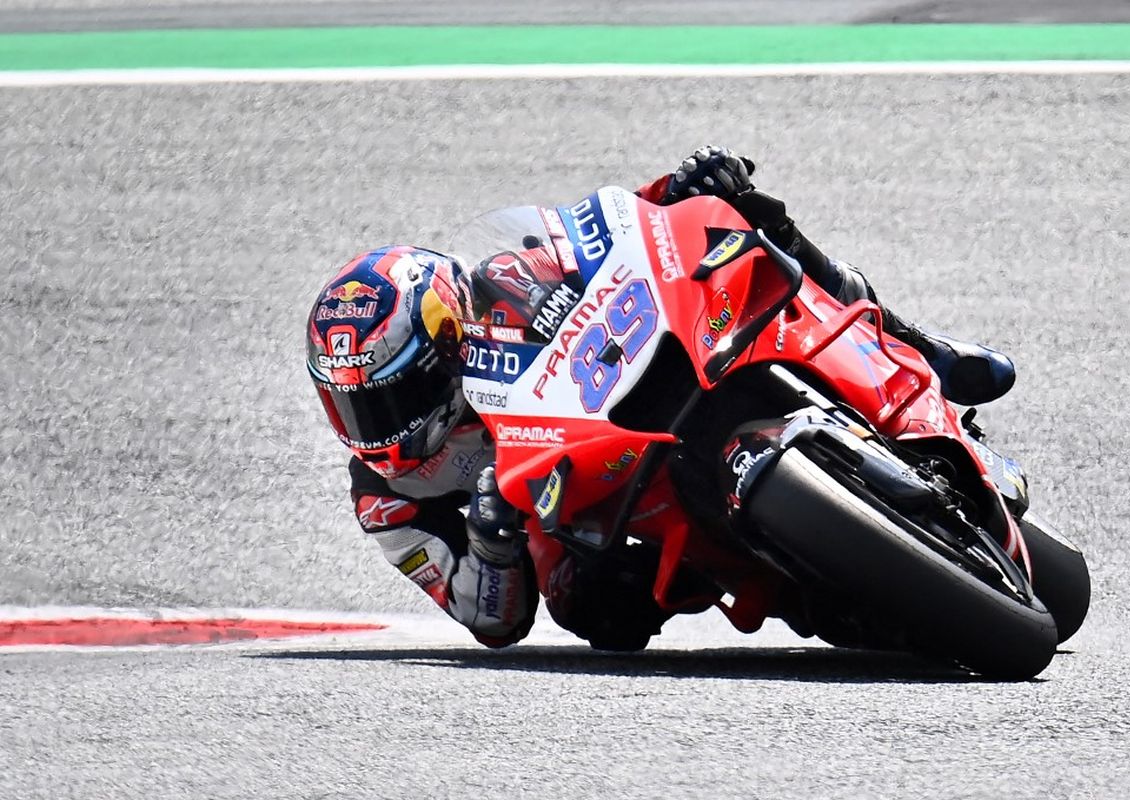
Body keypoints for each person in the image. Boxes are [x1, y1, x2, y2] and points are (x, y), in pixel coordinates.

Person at [305, 147, 1017, 650]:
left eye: (390, 396)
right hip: (574, 499)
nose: (377, 426)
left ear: (446, 343)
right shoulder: (384, 493)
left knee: (741, 216)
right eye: (354, 405)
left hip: (624, 385)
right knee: (592, 612)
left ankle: (925, 350)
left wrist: (679, 186)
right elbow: (487, 619)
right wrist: (493, 544)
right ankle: (781, 570)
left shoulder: (504, 277)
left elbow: (608, 235)